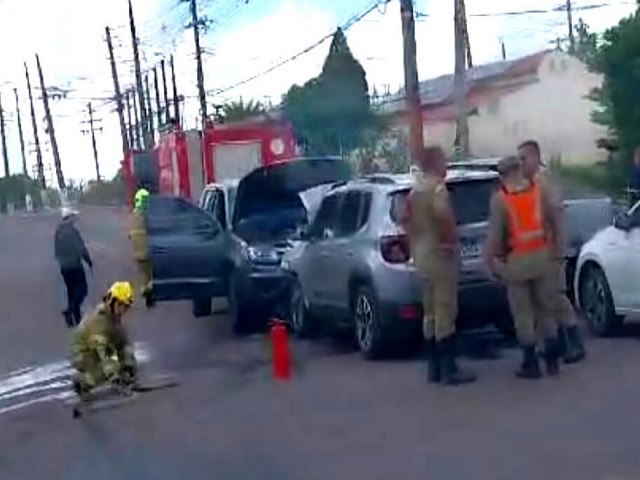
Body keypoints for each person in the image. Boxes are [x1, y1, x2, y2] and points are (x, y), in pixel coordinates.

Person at [484, 155, 561, 379]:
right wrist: (556, 247)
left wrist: (489, 261)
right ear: (519, 169)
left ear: (502, 175)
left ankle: (531, 363)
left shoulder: (501, 199)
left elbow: (495, 236)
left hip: (517, 262)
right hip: (542, 256)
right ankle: (553, 358)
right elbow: (553, 220)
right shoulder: (538, 191)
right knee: (545, 309)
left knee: (523, 314)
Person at [405, 146, 476, 386]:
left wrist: (414, 242)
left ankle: (433, 367)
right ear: (436, 163)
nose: (446, 166)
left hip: (422, 254)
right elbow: (443, 215)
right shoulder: (437, 189)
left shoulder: (415, 190)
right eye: (444, 161)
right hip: (439, 254)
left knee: (430, 311)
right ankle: (449, 369)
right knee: (446, 309)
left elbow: (405, 218)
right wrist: (451, 241)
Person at [517, 140, 586, 364]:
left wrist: (557, 249)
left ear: (535, 158)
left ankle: (575, 342)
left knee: (556, 296)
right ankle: (556, 344)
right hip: (537, 252)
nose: (521, 164)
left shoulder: (543, 184)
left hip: (550, 250)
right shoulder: (526, 185)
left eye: (523, 158)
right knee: (542, 300)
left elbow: (556, 216)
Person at [71, 281, 137, 401]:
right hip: (83, 353)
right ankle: (83, 383)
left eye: (126, 306)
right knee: (112, 364)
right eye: (121, 305)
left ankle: (122, 373)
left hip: (98, 346)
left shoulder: (112, 316)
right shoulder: (100, 321)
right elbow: (104, 350)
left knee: (124, 350)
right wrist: (114, 376)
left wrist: (129, 366)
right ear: (112, 302)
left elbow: (123, 340)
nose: (123, 309)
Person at [54, 207, 93, 327]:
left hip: (64, 266)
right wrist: (88, 261)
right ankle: (70, 311)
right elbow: (81, 248)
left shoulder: (58, 231)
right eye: (73, 216)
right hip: (75, 265)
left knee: (71, 291)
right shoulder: (72, 231)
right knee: (82, 290)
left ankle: (75, 319)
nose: (75, 219)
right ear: (69, 218)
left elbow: (56, 250)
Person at [129, 187, 153, 307]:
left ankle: (146, 292)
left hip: (137, 253)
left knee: (144, 276)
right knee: (152, 275)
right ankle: (150, 293)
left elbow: (129, 234)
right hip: (149, 251)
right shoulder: (148, 215)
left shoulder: (132, 216)